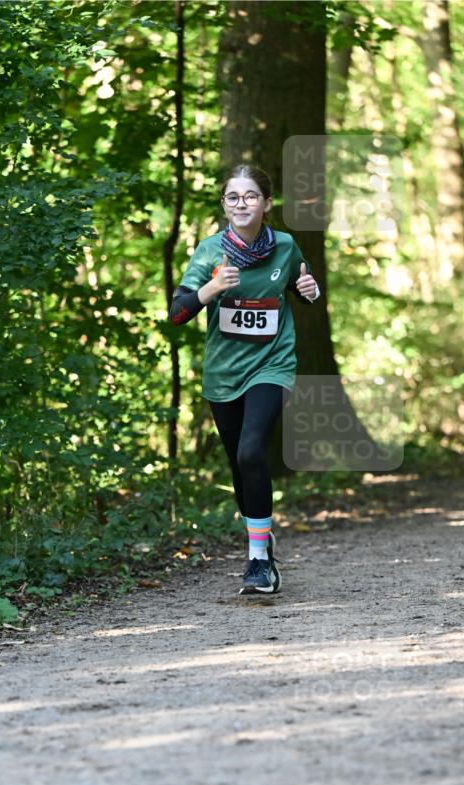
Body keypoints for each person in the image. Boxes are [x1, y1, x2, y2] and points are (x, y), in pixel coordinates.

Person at [168, 165, 320, 595]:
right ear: (224, 205)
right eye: (233, 197)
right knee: (240, 462)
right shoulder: (210, 250)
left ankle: (258, 562)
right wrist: (211, 290)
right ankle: (261, 538)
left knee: (253, 450)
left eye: (250, 196)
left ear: (266, 204)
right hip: (224, 372)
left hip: (271, 364)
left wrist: (311, 292)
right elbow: (177, 314)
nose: (241, 204)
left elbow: (304, 285)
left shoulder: (286, 246)